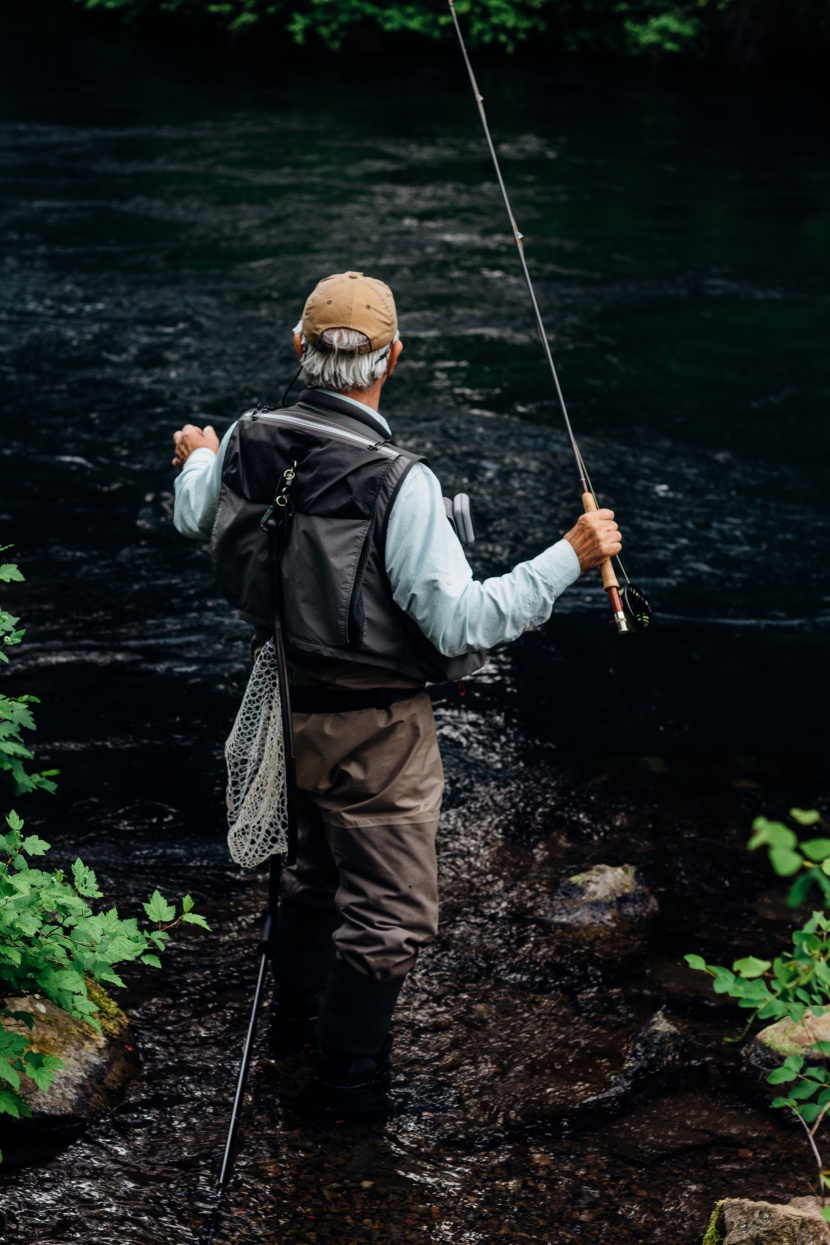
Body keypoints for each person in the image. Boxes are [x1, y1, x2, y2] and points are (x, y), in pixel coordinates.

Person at [171, 270, 621, 1124]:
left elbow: (199, 512)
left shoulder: (245, 438)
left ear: (301, 349)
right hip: (377, 732)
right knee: (390, 916)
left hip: (283, 703)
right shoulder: (400, 482)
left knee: (306, 878)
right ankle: (345, 1094)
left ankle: (294, 1033)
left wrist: (198, 456)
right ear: (394, 357)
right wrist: (572, 551)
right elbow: (461, 625)